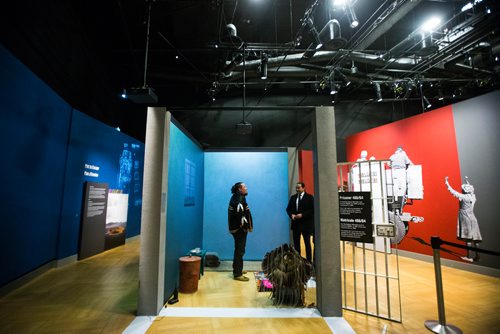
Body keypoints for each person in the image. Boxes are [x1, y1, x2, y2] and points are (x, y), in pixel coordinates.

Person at [444, 176, 482, 262]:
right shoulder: (473, 197)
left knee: (468, 238)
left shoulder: (463, 197)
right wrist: (467, 180)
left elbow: (452, 191)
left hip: (465, 218)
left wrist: (447, 183)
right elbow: (471, 190)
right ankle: (477, 256)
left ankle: (469, 257)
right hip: (473, 218)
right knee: (475, 238)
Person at [228, 182, 253, 281]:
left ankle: (237, 269)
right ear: (239, 189)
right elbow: (241, 216)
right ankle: (237, 273)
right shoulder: (238, 199)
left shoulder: (238, 197)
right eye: (245, 187)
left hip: (237, 229)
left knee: (238, 249)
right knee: (240, 250)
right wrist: (245, 227)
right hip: (239, 229)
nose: (246, 188)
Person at [286, 182, 315, 263]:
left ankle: (309, 262)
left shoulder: (309, 197)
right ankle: (298, 262)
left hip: (306, 225)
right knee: (296, 245)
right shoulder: (293, 197)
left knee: (307, 244)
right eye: (296, 188)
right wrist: (291, 215)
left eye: (298, 188)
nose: (297, 189)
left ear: (303, 188)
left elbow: (312, 210)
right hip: (296, 225)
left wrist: (302, 215)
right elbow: (288, 209)